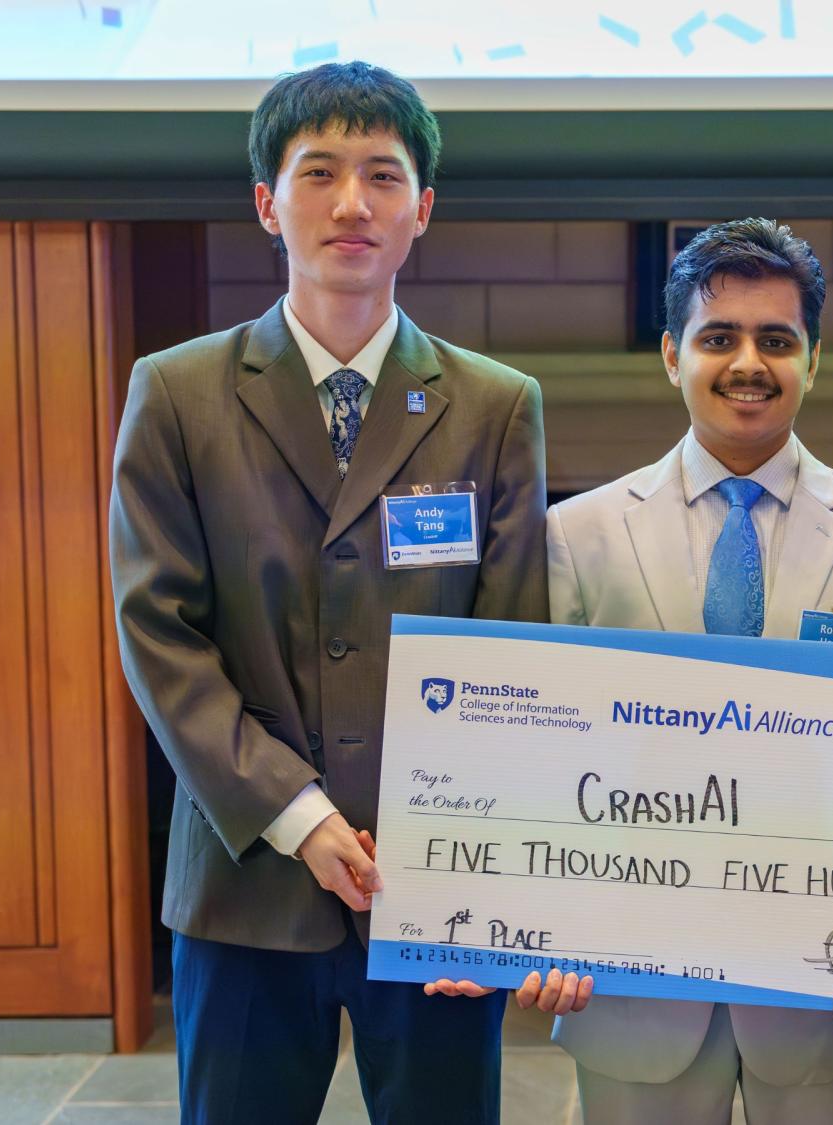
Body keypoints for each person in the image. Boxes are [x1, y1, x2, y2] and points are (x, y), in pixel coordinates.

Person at [109, 61, 555, 1124]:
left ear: (422, 211)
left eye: (382, 177)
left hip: (434, 882)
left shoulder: (497, 405)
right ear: (268, 203)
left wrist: (452, 839)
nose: (352, 203)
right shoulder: (176, 391)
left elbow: (514, 642)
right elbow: (157, 632)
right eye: (319, 173)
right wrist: (301, 816)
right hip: (245, 879)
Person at [547, 217, 833, 1122]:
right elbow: (548, 759)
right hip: (630, 986)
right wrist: (544, 931)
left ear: (814, 359)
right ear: (670, 354)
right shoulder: (579, 534)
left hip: (830, 990)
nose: (748, 363)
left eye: (777, 340)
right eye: (718, 338)